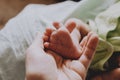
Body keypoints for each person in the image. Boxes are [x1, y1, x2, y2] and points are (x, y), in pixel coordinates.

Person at [26, 20, 99, 80]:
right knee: (76, 24)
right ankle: (75, 42)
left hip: (88, 65)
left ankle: (74, 43)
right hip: (96, 39)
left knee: (75, 25)